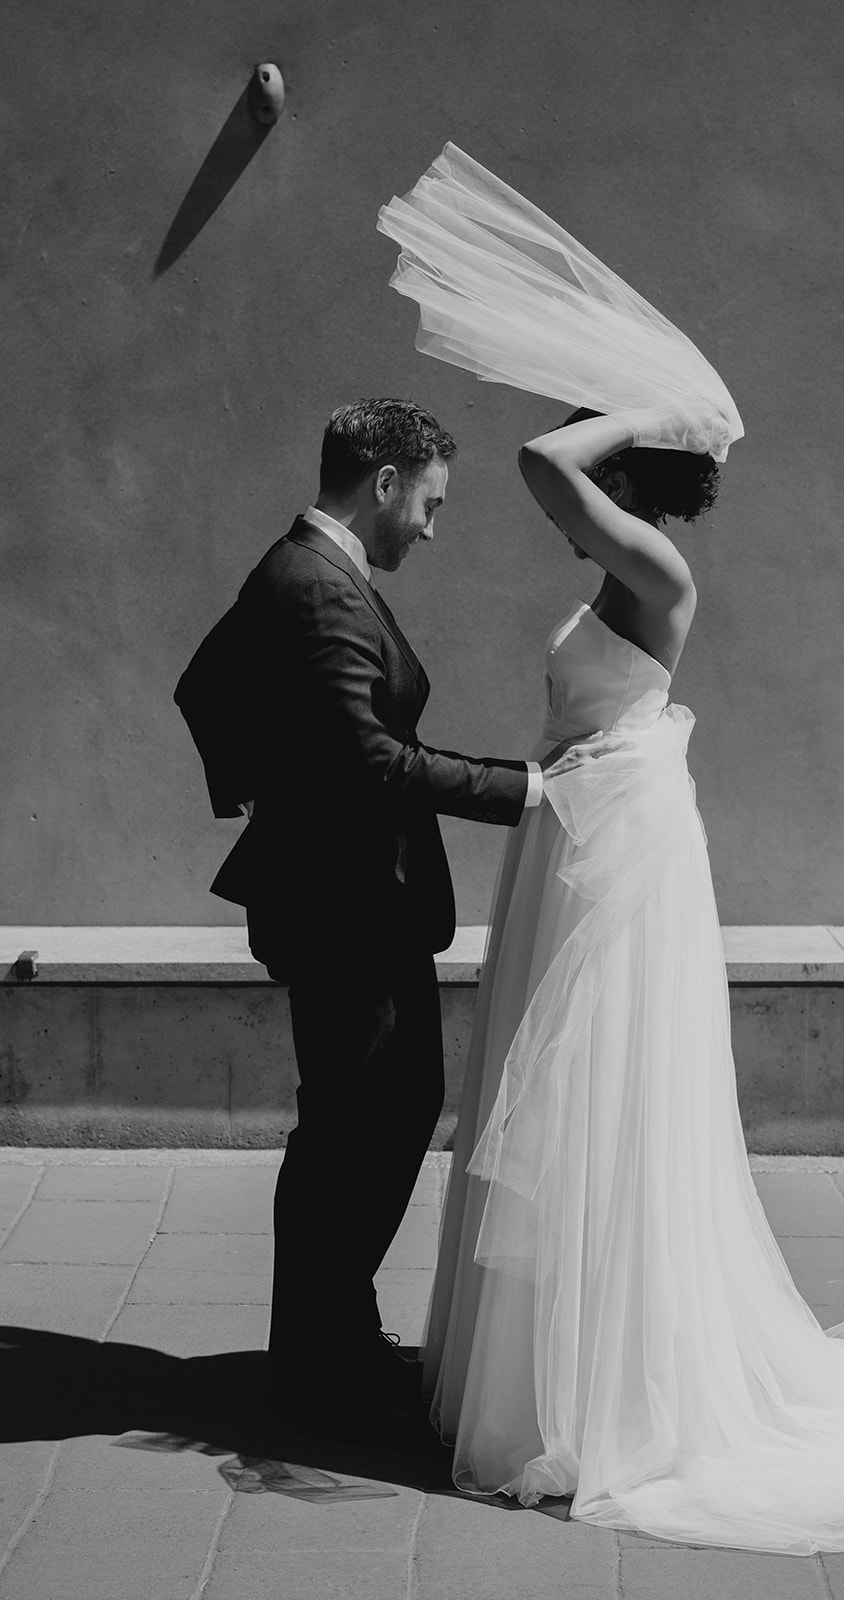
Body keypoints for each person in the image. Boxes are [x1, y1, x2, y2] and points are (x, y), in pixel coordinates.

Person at [422, 406, 844, 1554]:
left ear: (623, 474)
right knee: (562, 1096)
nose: (572, 514)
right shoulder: (622, 568)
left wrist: (656, 399)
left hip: (619, 859)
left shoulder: (656, 565)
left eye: (602, 472)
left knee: (606, 1096)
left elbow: (537, 464)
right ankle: (550, 1365)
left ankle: (604, 1386)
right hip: (580, 839)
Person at [174, 397, 591, 1439]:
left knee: (384, 1113)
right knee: (352, 1130)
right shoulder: (316, 588)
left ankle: (332, 1337)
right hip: (345, 908)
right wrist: (528, 789)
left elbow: (207, 683)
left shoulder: (301, 569)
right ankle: (318, 1368)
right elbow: (369, 756)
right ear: (386, 481)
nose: (432, 528)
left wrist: (266, 783)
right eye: (431, 503)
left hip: (349, 897)